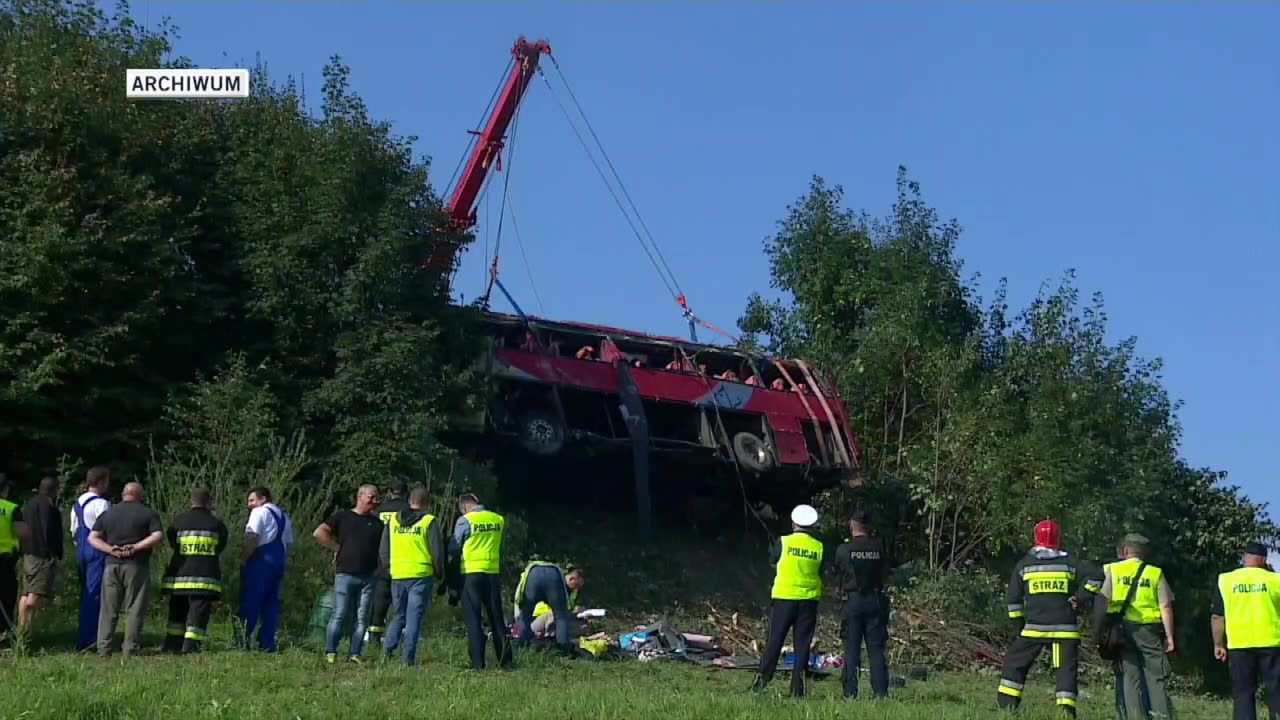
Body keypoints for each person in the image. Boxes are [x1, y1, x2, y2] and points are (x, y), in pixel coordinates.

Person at [997, 518, 1102, 716]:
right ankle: (1065, 711)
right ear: (1058, 540)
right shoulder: (1070, 563)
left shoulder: (1024, 566)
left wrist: (1019, 627)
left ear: (1035, 539)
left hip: (1034, 628)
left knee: (1014, 663)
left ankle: (1007, 706)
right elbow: (1097, 576)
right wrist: (1079, 598)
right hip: (1066, 630)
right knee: (1066, 672)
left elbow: (1013, 602)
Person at [1095, 533, 1174, 719]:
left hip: (1121, 630)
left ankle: (1134, 716)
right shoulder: (1155, 573)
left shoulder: (1113, 570)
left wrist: (1098, 632)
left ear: (1125, 550)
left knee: (1130, 678)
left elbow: (1103, 600)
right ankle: (1162, 716)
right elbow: (1166, 606)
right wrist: (1170, 637)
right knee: (1156, 677)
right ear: (1144, 553)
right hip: (1149, 630)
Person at [751, 504, 826, 697]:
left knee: (774, 642)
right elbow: (821, 572)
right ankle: (797, 691)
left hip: (784, 599)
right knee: (802, 646)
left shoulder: (783, 542)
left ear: (794, 524)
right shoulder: (818, 547)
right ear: (812, 525)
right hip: (808, 602)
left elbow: (772, 561)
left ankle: (760, 684)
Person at [89, 481, 163, 658]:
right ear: (140, 495)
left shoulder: (109, 513)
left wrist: (110, 549)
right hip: (136, 565)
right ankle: (130, 649)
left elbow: (93, 537)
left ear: (123, 494)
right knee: (135, 608)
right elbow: (158, 535)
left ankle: (103, 649)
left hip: (111, 564)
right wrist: (136, 547)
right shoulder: (148, 513)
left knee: (108, 609)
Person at [313, 484, 382, 664]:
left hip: (368, 576)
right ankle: (330, 651)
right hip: (345, 574)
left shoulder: (378, 523)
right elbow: (319, 532)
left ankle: (355, 654)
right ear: (360, 496)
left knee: (362, 618)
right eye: (371, 496)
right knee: (339, 613)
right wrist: (337, 547)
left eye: (376, 497)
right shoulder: (343, 516)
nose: (375, 500)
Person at [1212, 541, 1280, 720]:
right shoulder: (1276, 580)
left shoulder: (1226, 580)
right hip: (1272, 644)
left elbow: (1218, 616)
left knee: (1243, 695)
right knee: (1276, 692)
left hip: (1239, 645)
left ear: (1244, 558)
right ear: (1264, 559)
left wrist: (1218, 644)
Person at [379, 486, 444, 666]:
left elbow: (384, 549)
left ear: (409, 500)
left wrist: (388, 569)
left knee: (399, 615)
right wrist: (440, 574)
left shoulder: (393, 521)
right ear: (427, 504)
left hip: (398, 574)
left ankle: (386, 654)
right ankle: (407, 660)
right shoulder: (429, 521)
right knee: (414, 618)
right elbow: (437, 552)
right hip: (420, 575)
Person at [161, 487, 228, 654]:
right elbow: (220, 547)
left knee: (177, 609)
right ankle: (191, 647)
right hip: (204, 577)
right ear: (209, 503)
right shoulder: (217, 524)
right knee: (199, 610)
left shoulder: (178, 521)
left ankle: (172, 644)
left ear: (191, 501)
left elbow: (172, 544)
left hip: (179, 575)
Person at [450, 492, 512, 670]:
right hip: (492, 573)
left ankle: (478, 663)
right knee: (496, 617)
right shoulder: (497, 519)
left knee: (474, 620)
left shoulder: (465, 520)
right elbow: (501, 547)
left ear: (464, 507)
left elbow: (454, 548)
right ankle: (505, 661)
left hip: (470, 574)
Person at [835, 509, 889, 700]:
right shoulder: (879, 548)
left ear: (852, 526)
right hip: (875, 600)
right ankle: (881, 692)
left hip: (853, 601)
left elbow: (838, 572)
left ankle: (850, 692)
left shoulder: (843, 550)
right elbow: (884, 573)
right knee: (876, 648)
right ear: (869, 527)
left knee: (851, 648)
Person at [239, 487, 293, 652]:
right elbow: (288, 544)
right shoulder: (284, 517)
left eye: (252, 500)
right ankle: (267, 644)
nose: (249, 505)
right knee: (271, 605)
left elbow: (252, 537)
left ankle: (243, 640)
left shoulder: (259, 512)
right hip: (279, 561)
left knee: (251, 602)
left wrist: (243, 558)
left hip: (261, 561)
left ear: (263, 499)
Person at [70, 465, 111, 651]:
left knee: (85, 592)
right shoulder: (101, 504)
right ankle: (89, 640)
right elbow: (107, 527)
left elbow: (73, 531)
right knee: (94, 596)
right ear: (101, 482)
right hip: (96, 550)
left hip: (80, 550)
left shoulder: (77, 504)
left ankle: (84, 635)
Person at [18, 476, 62, 640]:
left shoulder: (28, 505)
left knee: (25, 592)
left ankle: (20, 630)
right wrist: (53, 555)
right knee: (34, 596)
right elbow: (48, 532)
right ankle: (26, 635)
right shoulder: (50, 508)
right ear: (55, 490)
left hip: (27, 553)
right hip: (42, 556)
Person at [370, 478, 411, 647]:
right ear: (406, 493)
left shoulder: (378, 511)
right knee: (402, 608)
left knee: (378, 605)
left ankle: (373, 642)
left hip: (380, 565)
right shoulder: (409, 512)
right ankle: (401, 642)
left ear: (389, 493)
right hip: (405, 564)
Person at [514, 560, 583, 653]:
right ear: (572, 579)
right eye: (576, 585)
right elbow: (563, 615)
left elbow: (519, 596)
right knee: (561, 618)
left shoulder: (565, 585)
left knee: (525, 616)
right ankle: (563, 649)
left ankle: (522, 648)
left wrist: (517, 615)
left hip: (532, 574)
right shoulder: (560, 582)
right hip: (552, 576)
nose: (576, 588)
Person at [0, 474, 30, 638]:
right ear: (4, 489)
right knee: (6, 599)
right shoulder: (11, 508)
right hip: (3, 562)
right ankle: (4, 636)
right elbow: (23, 533)